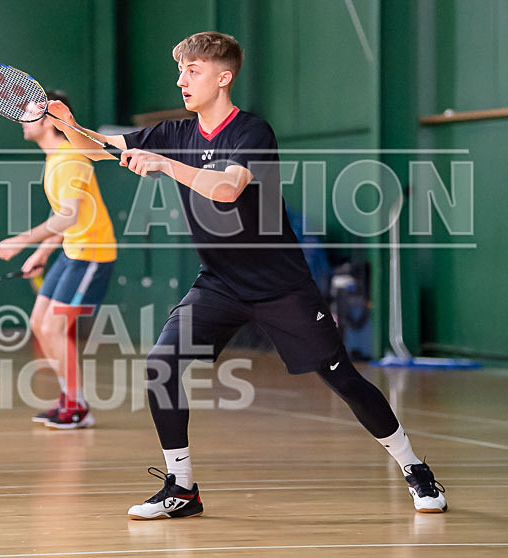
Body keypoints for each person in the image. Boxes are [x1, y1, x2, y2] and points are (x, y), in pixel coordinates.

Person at [46, 32, 447, 517]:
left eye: (192, 71)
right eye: (180, 71)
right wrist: (68, 126)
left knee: (342, 378)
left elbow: (227, 189)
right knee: (161, 366)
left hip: (281, 287)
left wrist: (165, 164)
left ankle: (413, 466)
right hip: (219, 283)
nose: (181, 81)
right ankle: (181, 488)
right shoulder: (176, 132)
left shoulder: (251, 132)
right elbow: (96, 149)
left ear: (223, 77)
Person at [0, 92, 117, 430]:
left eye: (29, 112)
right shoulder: (55, 159)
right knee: (39, 322)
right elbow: (64, 219)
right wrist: (42, 253)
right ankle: (69, 398)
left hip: (92, 254)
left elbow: (68, 217)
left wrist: (23, 240)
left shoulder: (70, 159)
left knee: (53, 327)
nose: (21, 118)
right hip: (71, 250)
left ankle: (77, 407)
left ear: (50, 121)